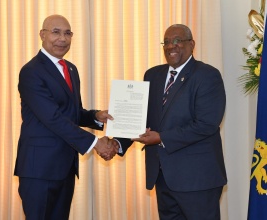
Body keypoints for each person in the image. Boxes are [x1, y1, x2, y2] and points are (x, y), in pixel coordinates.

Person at [115, 24, 227, 219]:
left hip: (197, 180)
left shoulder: (207, 75)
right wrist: (117, 142)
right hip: (163, 176)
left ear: (191, 44)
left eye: (177, 41)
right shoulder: (153, 75)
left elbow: (206, 124)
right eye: (166, 42)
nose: (170, 46)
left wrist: (161, 138)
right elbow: (142, 117)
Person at [14, 14, 118, 220]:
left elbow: (72, 113)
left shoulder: (70, 69)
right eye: (56, 32)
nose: (62, 38)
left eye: (67, 33)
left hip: (65, 167)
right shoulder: (31, 71)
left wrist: (96, 116)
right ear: (42, 35)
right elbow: (52, 117)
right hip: (39, 170)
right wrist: (95, 143)